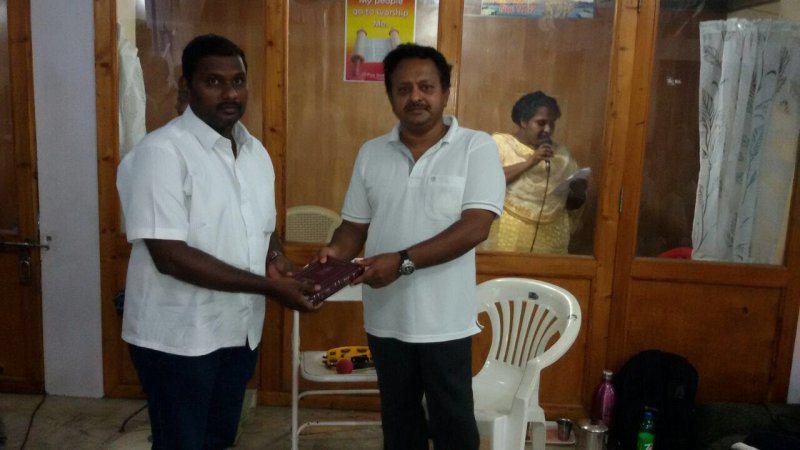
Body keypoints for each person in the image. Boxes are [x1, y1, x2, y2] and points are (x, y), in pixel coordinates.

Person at [116, 34, 319, 449]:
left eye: (238, 81)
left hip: (238, 332)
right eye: (213, 82)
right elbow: (170, 257)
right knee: (181, 443)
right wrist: (269, 288)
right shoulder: (161, 154)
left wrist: (277, 260)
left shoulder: (255, 152)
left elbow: (261, 227)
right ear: (187, 86)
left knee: (219, 439)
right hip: (179, 338)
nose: (230, 94)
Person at [318, 44, 506, 450]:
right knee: (399, 425)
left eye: (426, 87)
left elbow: (475, 228)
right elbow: (353, 227)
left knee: (454, 425)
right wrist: (333, 254)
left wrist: (402, 261)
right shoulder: (371, 153)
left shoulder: (476, 147)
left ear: (445, 92)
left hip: (445, 321)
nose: (415, 97)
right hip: (386, 318)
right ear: (390, 96)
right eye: (403, 89)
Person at [481, 91, 588, 254]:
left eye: (552, 124)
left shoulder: (562, 155)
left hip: (551, 238)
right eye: (541, 123)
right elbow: (488, 182)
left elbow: (572, 205)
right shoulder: (501, 144)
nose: (548, 129)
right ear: (523, 121)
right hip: (508, 236)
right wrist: (531, 161)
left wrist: (578, 192)